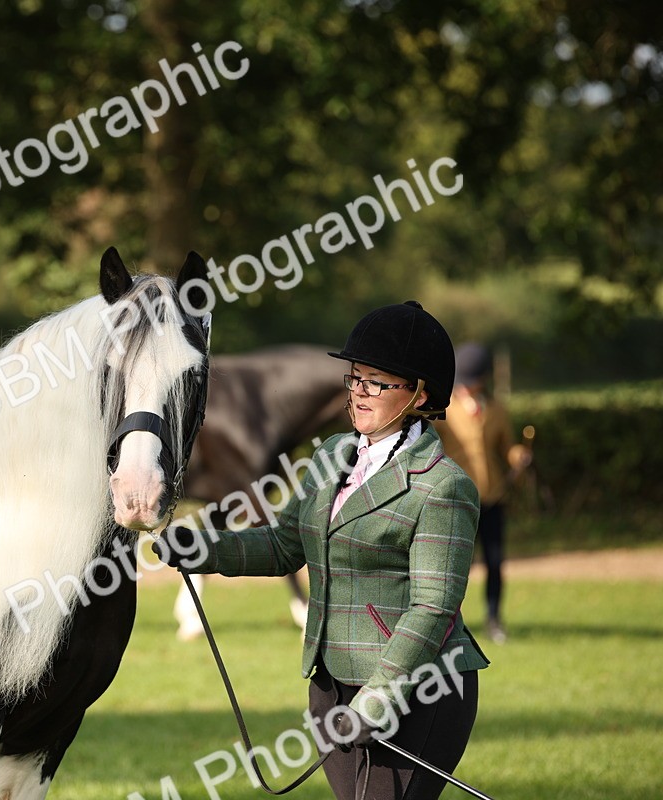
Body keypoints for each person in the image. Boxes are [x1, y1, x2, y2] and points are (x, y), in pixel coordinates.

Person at [154, 301, 489, 800]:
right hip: (331, 686)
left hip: (417, 688)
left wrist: (376, 701)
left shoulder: (442, 486)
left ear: (420, 394)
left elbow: (433, 608)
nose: (359, 392)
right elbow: (286, 544)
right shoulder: (332, 454)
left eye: (377, 382)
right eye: (355, 378)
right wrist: (205, 549)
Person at [435, 343, 532, 644]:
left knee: (495, 561)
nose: (466, 388)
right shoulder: (444, 411)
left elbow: (507, 447)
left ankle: (493, 618)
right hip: (457, 500)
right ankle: (449, 621)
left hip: (492, 496)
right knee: (454, 566)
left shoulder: (498, 410)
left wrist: (518, 457)